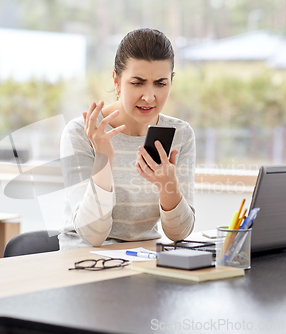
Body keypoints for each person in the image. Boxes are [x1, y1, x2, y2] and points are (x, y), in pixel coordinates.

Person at [59, 28, 195, 250]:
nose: (149, 97)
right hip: (86, 262)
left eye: (160, 83)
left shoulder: (180, 134)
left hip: (144, 259)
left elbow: (178, 234)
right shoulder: (82, 133)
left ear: (171, 81)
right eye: (137, 83)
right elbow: (93, 237)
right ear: (116, 80)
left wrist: (168, 186)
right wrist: (103, 158)